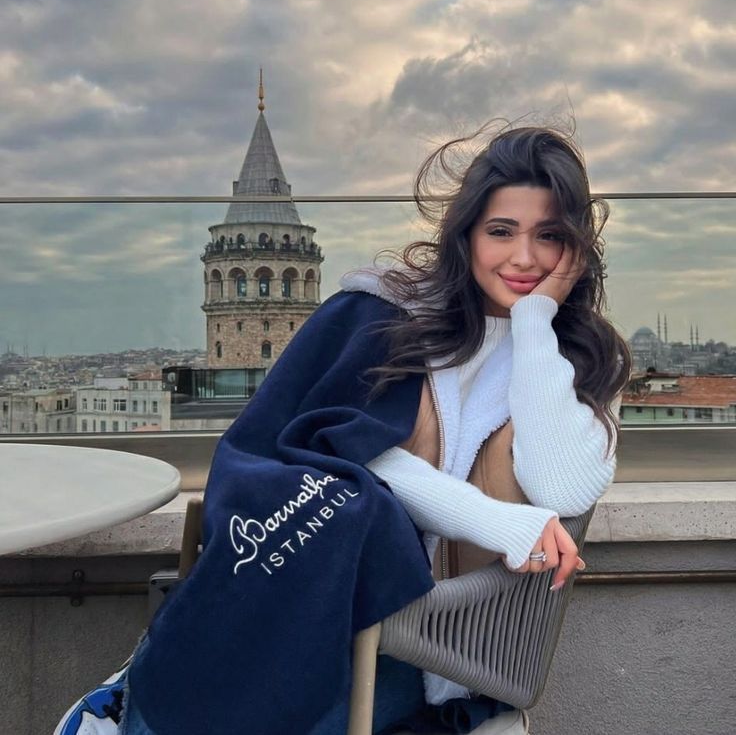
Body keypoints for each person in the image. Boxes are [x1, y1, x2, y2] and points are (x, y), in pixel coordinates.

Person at [57, 125, 630, 735]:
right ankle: (132, 700)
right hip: (325, 584)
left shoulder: (584, 359)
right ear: (465, 235)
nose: (523, 258)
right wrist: (499, 521)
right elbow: (342, 453)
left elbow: (563, 488)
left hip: (437, 632)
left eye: (549, 237)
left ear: (575, 248)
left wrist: (538, 320)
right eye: (500, 231)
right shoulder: (390, 317)